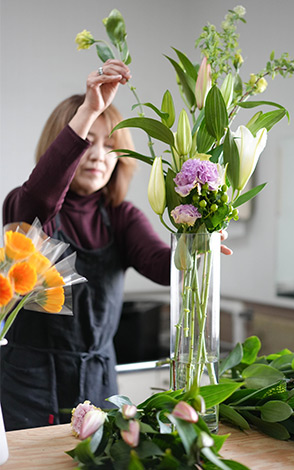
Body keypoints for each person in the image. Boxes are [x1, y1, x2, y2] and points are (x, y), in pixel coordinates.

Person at [1, 59, 229, 430]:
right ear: (62, 147)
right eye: (86, 142)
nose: (96, 155)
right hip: (30, 382)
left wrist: (199, 242)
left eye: (110, 145)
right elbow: (40, 199)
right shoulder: (24, 205)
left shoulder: (121, 217)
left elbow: (161, 264)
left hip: (98, 379)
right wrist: (90, 108)